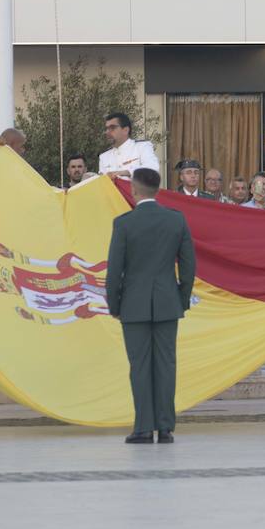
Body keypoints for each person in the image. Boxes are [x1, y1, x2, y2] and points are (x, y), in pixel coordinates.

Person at [107, 168, 196, 445]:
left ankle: (144, 427)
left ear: (134, 190)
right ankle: (166, 427)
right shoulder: (176, 220)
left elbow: (114, 270)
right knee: (166, 365)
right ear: (158, 189)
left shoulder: (124, 223)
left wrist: (114, 304)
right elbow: (189, 266)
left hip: (133, 305)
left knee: (140, 366)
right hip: (168, 302)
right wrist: (181, 299)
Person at [100, 112, 160, 177]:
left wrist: (126, 172)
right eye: (107, 128)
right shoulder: (104, 157)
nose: (107, 132)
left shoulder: (142, 147)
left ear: (126, 130)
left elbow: (152, 168)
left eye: (112, 128)